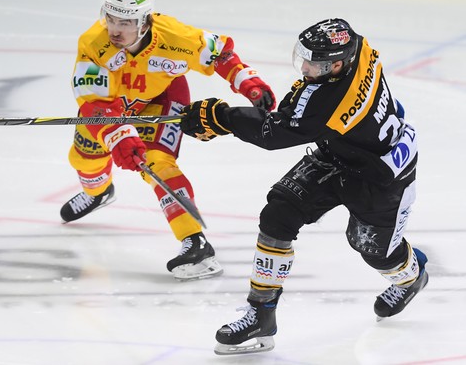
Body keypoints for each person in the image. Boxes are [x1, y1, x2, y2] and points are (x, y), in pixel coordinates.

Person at [180, 18, 428, 354]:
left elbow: (273, 133)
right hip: (337, 152)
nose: (305, 67)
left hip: (380, 176)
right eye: (305, 58)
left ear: (337, 64)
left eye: (313, 63)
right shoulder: (358, 45)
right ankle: (261, 312)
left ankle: (412, 276)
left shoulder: (332, 101)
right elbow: (298, 112)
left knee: (374, 252)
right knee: (277, 215)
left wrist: (220, 118)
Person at [60, 0, 276, 281]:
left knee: (157, 163)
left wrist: (247, 82)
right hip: (111, 107)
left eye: (125, 22)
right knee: (84, 157)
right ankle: (98, 193)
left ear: (145, 21)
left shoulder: (176, 37)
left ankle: (194, 240)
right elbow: (94, 101)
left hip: (163, 100)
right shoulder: (93, 43)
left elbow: (219, 55)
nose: (114, 29)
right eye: (110, 18)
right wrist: (120, 135)